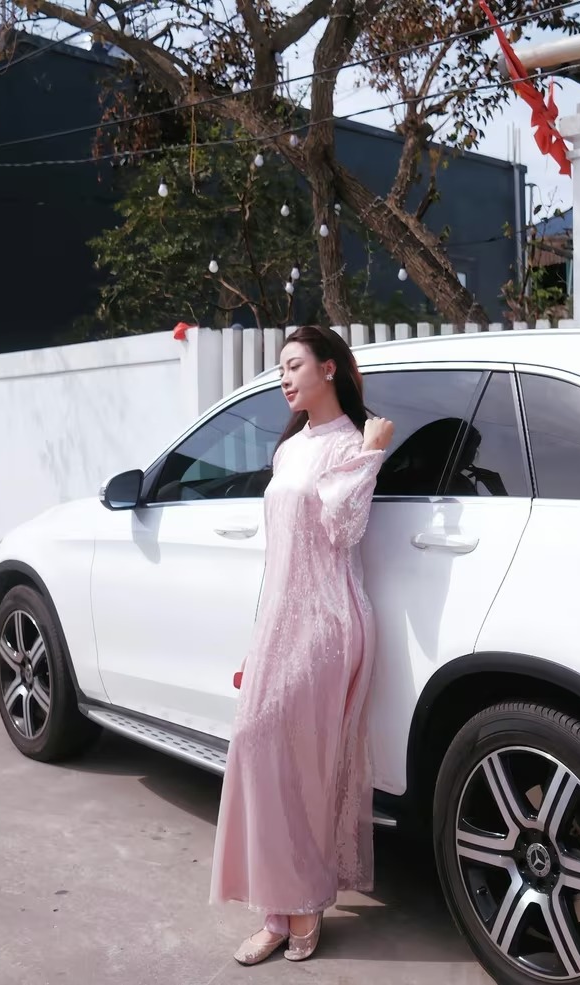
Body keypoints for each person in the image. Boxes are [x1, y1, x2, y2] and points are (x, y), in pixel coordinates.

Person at [209, 324, 394, 964]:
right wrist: (258, 639)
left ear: (329, 368)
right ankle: (275, 908)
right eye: (281, 368)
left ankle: (305, 904)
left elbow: (343, 527)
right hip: (281, 622)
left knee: (308, 768)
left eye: (294, 365)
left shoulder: (352, 442)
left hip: (328, 621)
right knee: (257, 746)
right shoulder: (290, 449)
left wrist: (371, 454)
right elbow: (278, 558)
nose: (284, 378)